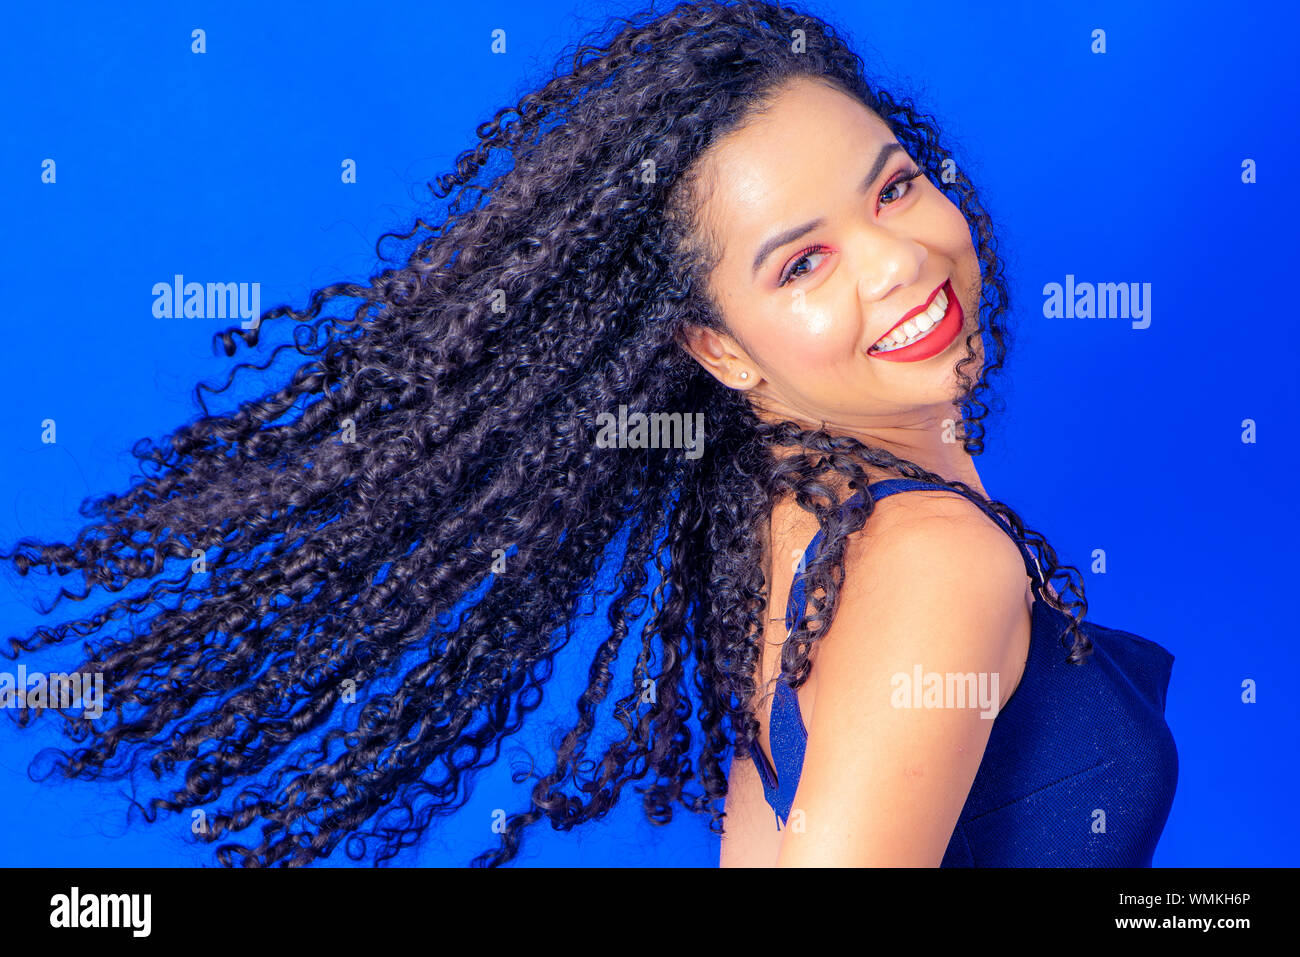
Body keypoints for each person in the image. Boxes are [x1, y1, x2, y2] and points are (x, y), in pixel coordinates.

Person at [0, 0, 1175, 867]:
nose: (901, 259)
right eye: (802, 261)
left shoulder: (812, 518)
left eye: (894, 187)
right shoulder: (927, 559)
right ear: (717, 349)